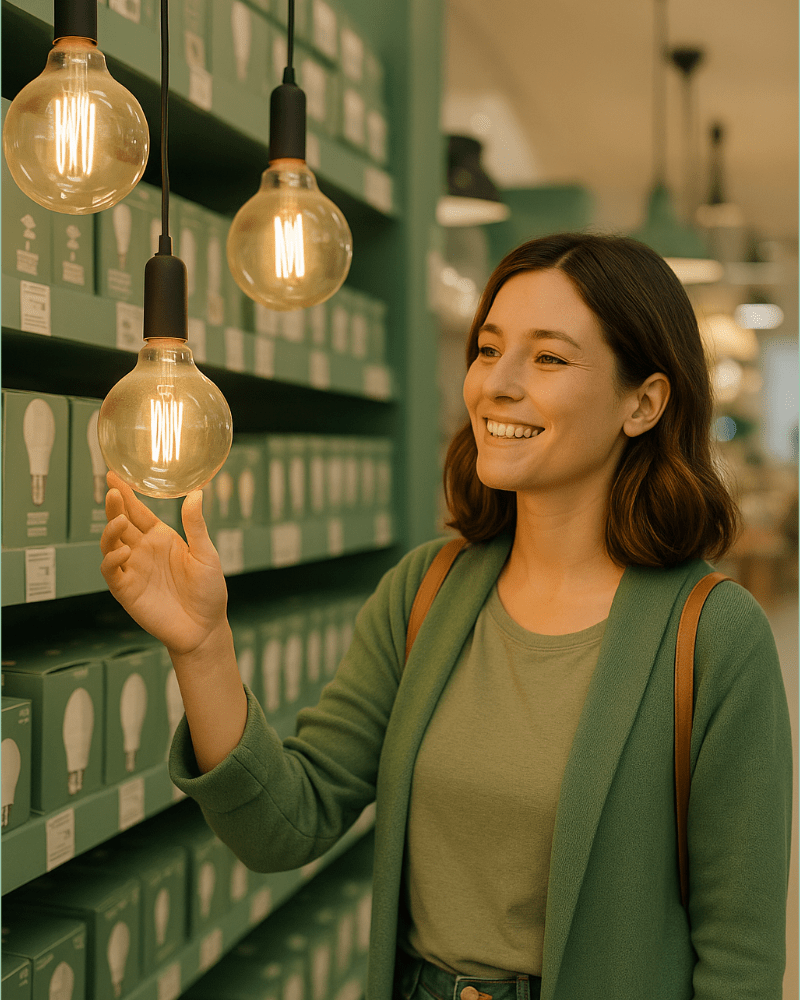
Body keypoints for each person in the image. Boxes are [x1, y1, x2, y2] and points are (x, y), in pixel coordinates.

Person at [100, 233, 793, 1000]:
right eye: (489, 349)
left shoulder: (715, 638)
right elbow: (285, 824)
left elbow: (740, 962)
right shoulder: (424, 593)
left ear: (644, 402)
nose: (498, 383)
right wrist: (202, 646)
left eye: (550, 358)